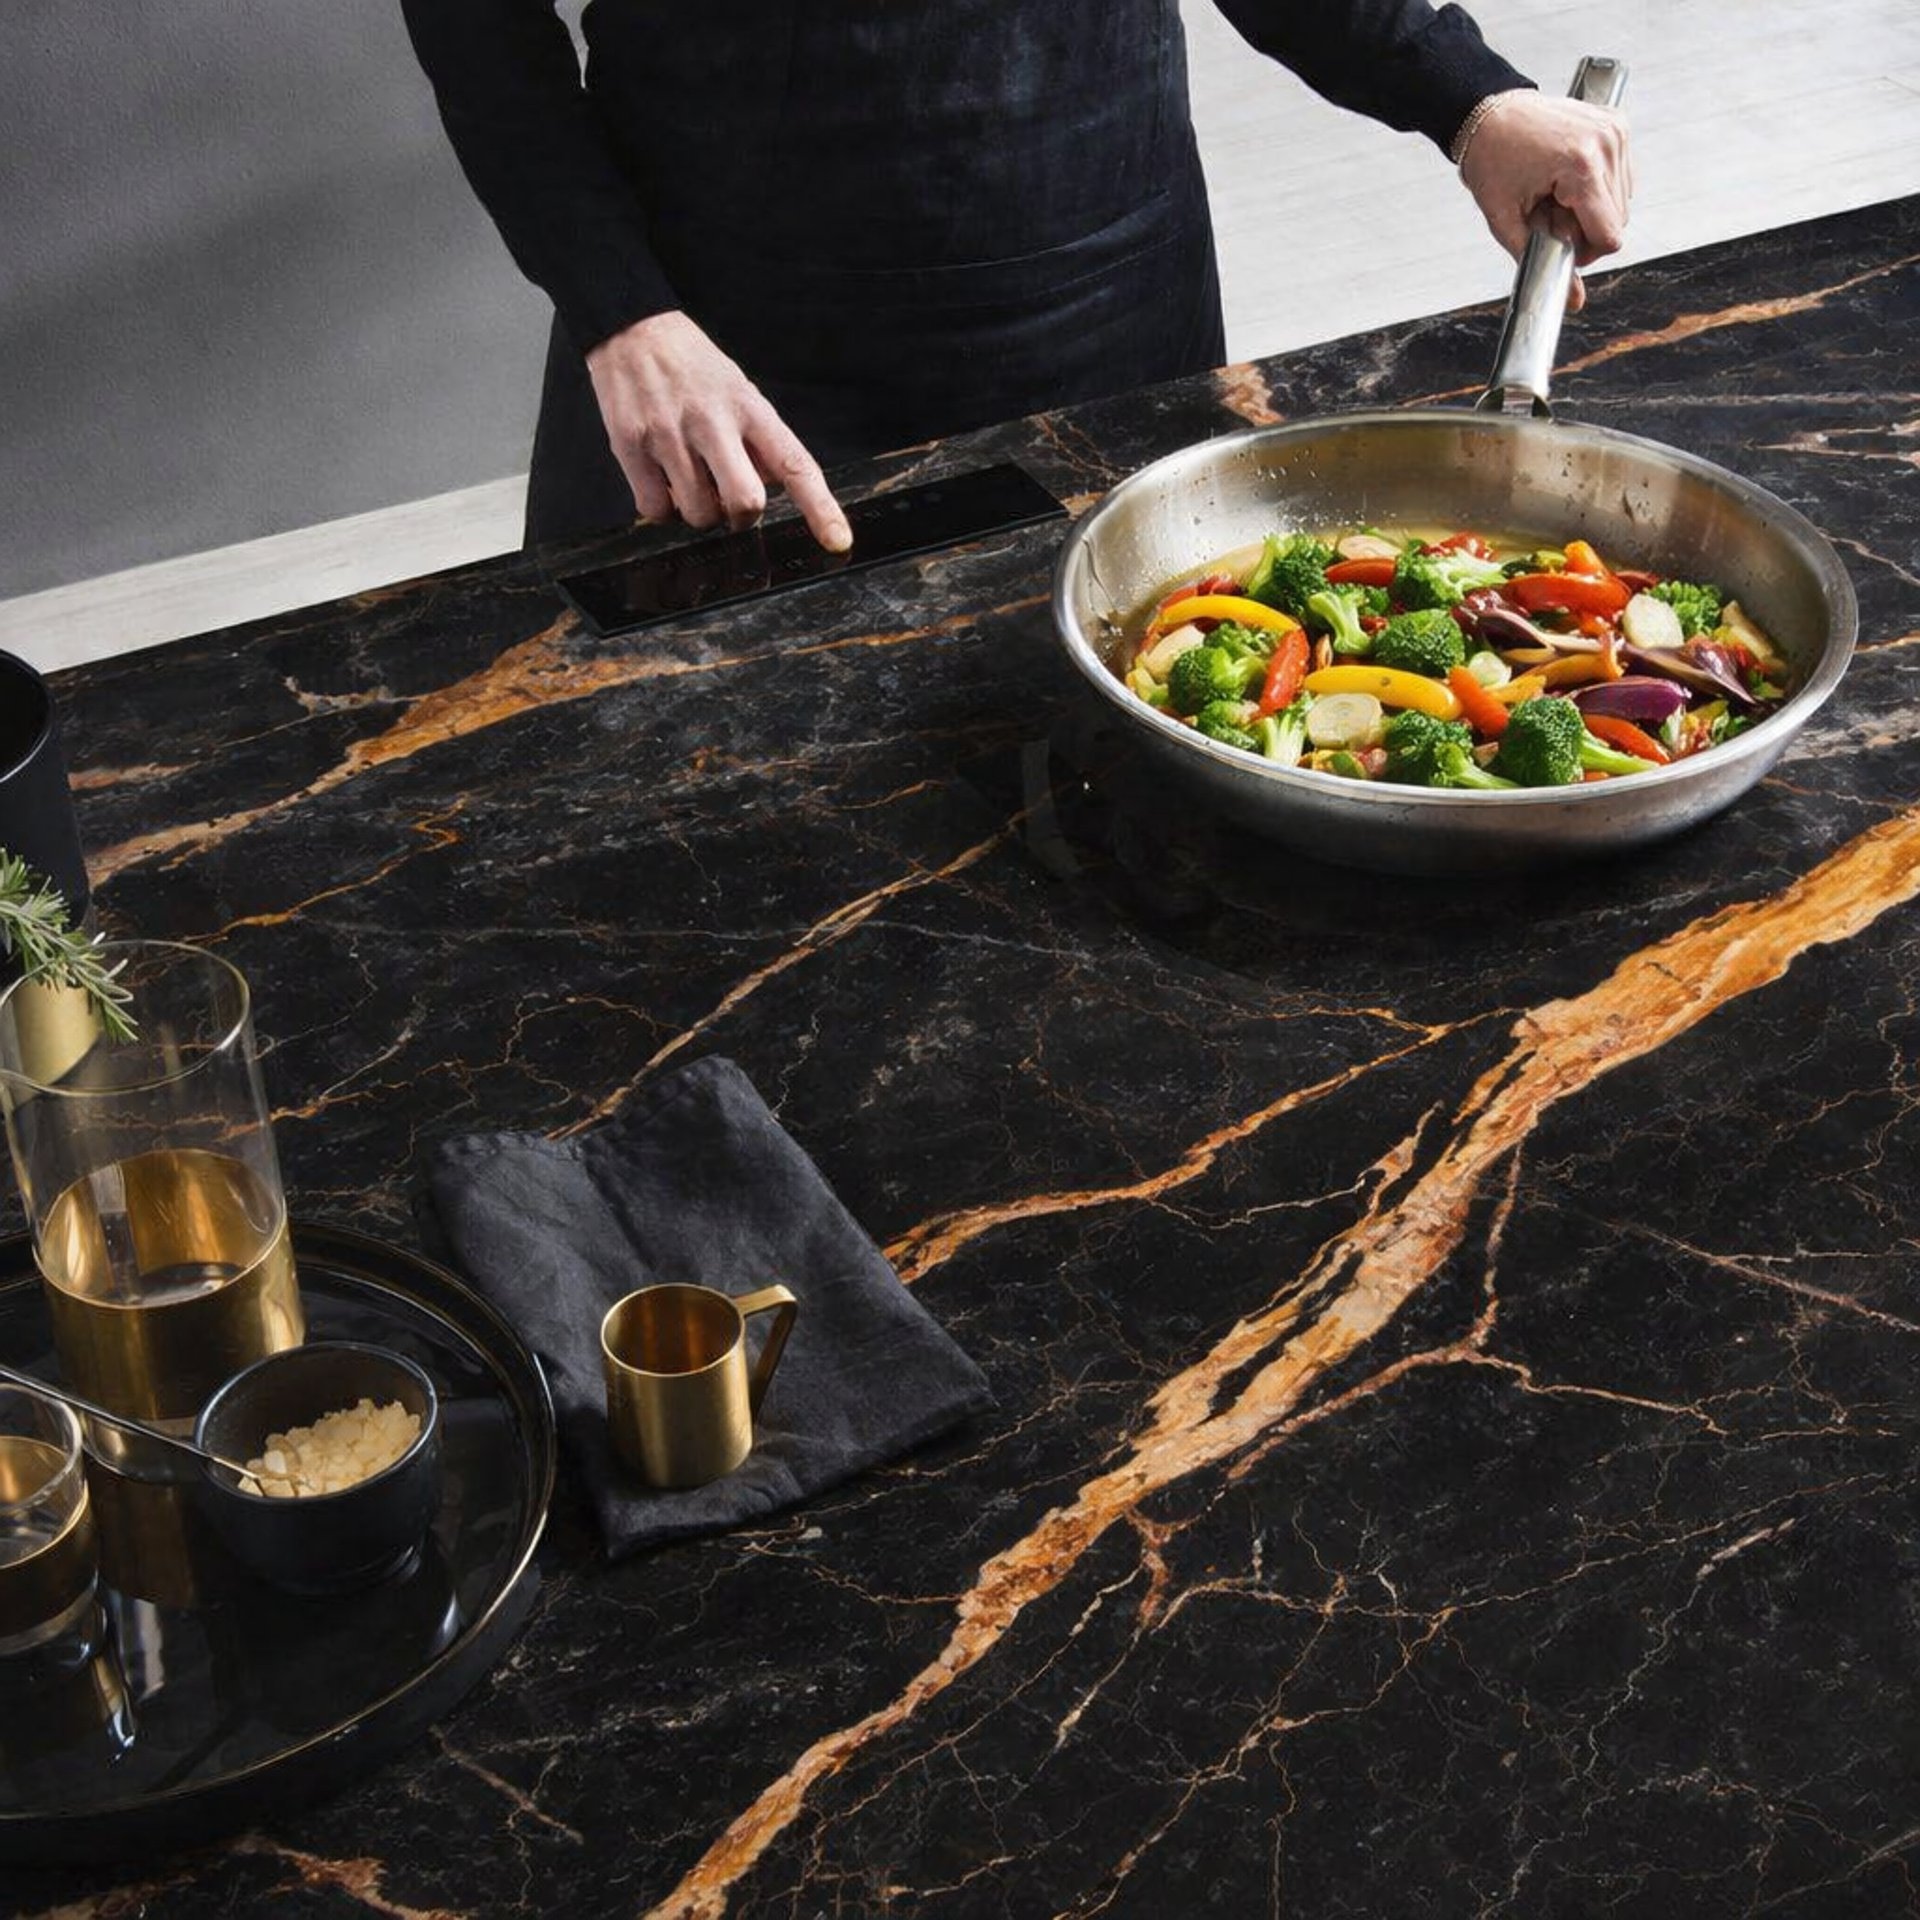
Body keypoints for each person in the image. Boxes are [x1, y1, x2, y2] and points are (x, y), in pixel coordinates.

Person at [402, 1, 1631, 553]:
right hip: (721, 333)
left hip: (1103, 295)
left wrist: (1464, 96)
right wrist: (622, 310)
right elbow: (476, 24)